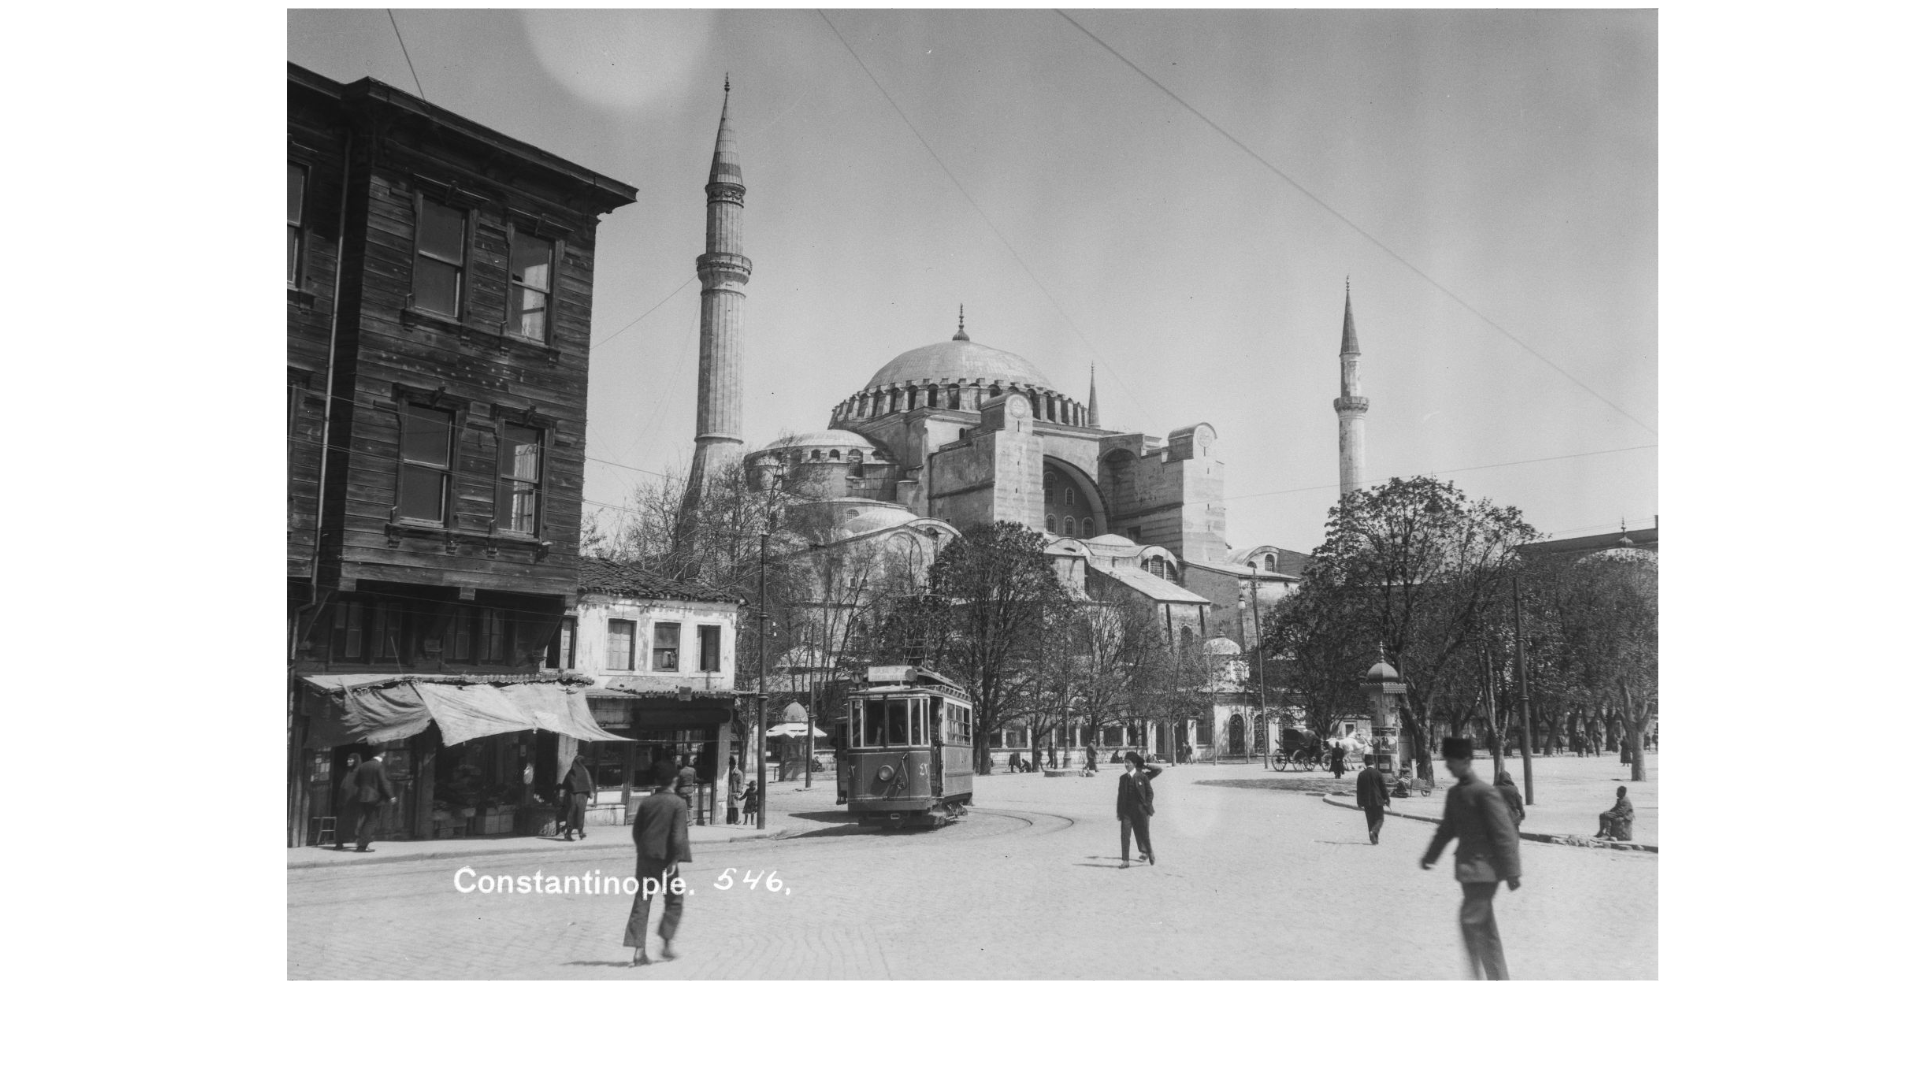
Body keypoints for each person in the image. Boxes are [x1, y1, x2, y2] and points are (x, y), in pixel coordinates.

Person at [1421, 736, 1522, 981]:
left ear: (1465, 760)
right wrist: (1430, 856)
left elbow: (1504, 833)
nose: (1448, 766)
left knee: (1470, 922)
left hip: (1485, 872)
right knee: (1485, 932)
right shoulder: (1455, 793)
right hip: (1468, 873)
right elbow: (1446, 829)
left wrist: (1512, 872)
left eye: (1451, 761)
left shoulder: (1485, 792)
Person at [625, 777, 692, 966]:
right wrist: (675, 859)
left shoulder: (647, 802)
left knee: (642, 901)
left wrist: (644, 850)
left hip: (645, 859)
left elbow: (636, 831)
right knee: (674, 900)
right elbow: (678, 835)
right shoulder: (678, 803)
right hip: (666, 861)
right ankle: (666, 943)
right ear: (674, 780)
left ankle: (639, 952)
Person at [1116, 751, 1161, 867]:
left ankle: (1148, 852)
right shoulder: (1123, 778)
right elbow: (1120, 797)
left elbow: (1151, 792)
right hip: (1127, 812)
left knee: (1144, 833)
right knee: (1125, 835)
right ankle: (1125, 861)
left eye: (1129, 762)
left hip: (1141, 811)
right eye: (1125, 762)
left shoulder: (1144, 776)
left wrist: (1146, 806)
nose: (1126, 765)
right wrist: (1120, 812)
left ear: (1135, 764)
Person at [350, 751, 393, 853]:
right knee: (371, 821)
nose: (385, 755)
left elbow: (356, 781)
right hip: (374, 797)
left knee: (366, 820)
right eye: (384, 753)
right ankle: (362, 845)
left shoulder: (363, 765)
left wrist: (364, 789)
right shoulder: (379, 766)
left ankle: (361, 842)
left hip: (363, 796)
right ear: (381, 754)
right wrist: (390, 796)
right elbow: (383, 782)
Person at [559, 753, 595, 841]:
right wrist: (591, 793)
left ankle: (568, 833)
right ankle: (580, 832)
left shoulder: (570, 773)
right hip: (583, 796)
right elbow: (590, 784)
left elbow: (564, 786)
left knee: (571, 814)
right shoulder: (585, 772)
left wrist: (561, 797)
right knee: (580, 814)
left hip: (572, 796)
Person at [1356, 757, 1393, 844]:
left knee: (1370, 820)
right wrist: (1387, 799)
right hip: (1377, 800)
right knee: (1380, 818)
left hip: (1366, 801)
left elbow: (1359, 790)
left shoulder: (1361, 774)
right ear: (1373, 763)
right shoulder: (1378, 773)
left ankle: (1373, 838)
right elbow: (1383, 788)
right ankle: (1374, 832)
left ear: (1365, 764)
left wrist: (1359, 802)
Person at [332, 753, 360, 850]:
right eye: (348, 759)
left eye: (351, 760)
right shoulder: (347, 772)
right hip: (344, 802)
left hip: (353, 802)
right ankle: (339, 843)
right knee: (341, 823)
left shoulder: (358, 772)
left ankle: (359, 842)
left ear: (356, 761)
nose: (349, 761)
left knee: (355, 823)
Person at [726, 755, 744, 825]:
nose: (731, 766)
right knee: (728, 806)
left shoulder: (739, 773)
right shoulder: (727, 772)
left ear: (735, 765)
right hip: (728, 790)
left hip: (735, 791)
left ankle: (736, 820)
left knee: (735, 806)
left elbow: (740, 782)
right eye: (730, 765)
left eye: (733, 765)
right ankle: (729, 820)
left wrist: (739, 790)